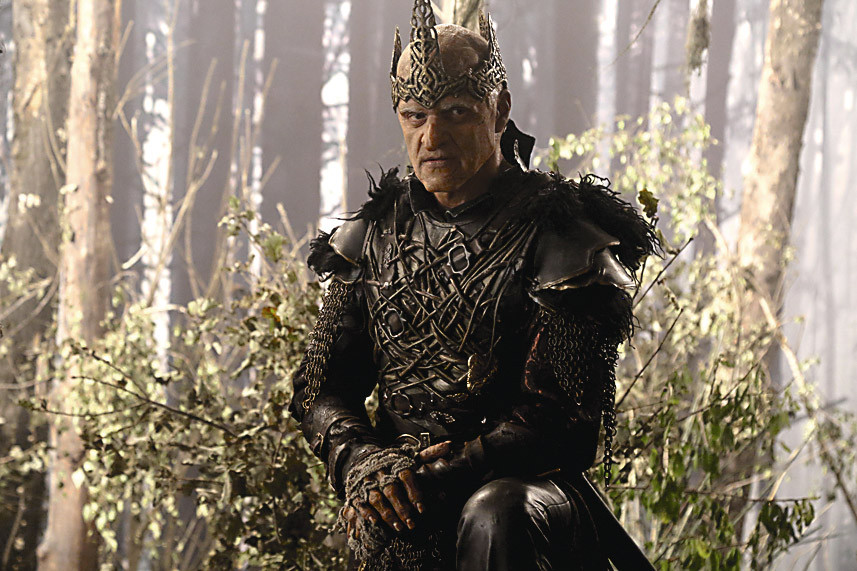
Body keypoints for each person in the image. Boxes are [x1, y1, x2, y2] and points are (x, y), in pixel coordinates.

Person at [289, 1, 658, 569]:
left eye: (456, 112)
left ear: (499, 109)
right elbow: (321, 388)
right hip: (406, 490)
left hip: (527, 499)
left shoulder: (560, 238)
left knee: (496, 510)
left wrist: (445, 473)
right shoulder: (374, 236)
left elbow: (564, 422)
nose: (432, 135)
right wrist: (363, 462)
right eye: (414, 115)